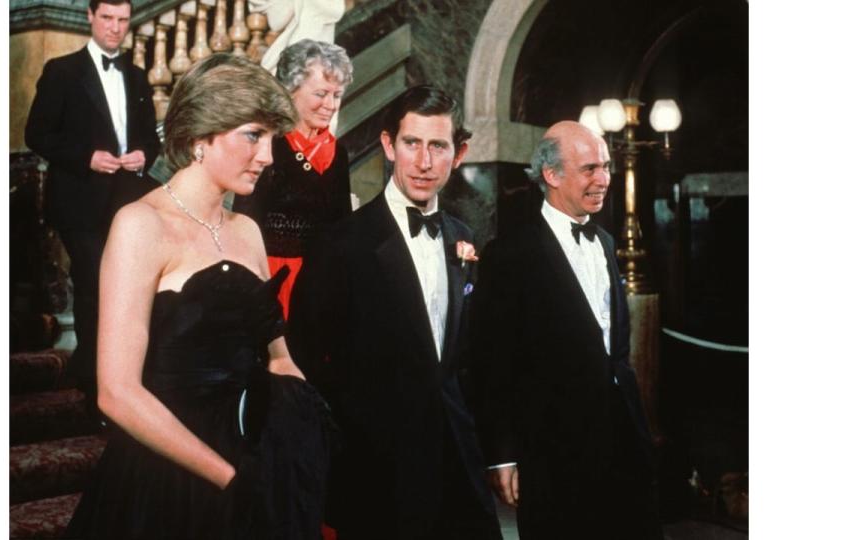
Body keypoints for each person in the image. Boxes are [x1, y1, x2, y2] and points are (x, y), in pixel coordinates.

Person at [64, 53, 334, 539]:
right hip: (169, 476)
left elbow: (279, 359)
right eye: (253, 135)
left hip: (253, 458)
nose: (268, 156)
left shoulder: (249, 231)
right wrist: (233, 479)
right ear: (200, 138)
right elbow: (117, 392)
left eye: (271, 138)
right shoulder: (140, 225)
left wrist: (301, 450)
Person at [288, 85, 502, 540]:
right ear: (388, 145)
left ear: (458, 153)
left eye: (438, 146)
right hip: (377, 480)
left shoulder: (462, 237)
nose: (424, 163)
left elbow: (468, 361)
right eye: (412, 144)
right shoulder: (341, 243)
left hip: (458, 473)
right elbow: (305, 367)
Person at [470, 121, 661, 540]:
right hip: (552, 452)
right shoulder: (510, 254)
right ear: (552, 175)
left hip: (622, 441)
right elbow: (491, 363)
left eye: (607, 166)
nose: (604, 179)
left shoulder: (607, 243)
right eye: (590, 168)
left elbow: (616, 347)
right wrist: (502, 456)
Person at [24, 0, 161, 415]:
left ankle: (128, 379)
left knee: (136, 286)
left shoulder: (136, 77)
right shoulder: (62, 71)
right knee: (95, 286)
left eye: (122, 20)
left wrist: (143, 155)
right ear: (90, 17)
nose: (115, 29)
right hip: (80, 200)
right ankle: (94, 387)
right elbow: (37, 134)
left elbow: (150, 140)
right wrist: (87, 157)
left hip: (128, 197)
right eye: (107, 18)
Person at [233, 39, 353, 318]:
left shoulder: (339, 153)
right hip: (272, 280)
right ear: (291, 90)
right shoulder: (267, 146)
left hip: (321, 285)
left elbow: (342, 228)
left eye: (336, 95)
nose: (330, 105)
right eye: (321, 93)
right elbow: (245, 224)